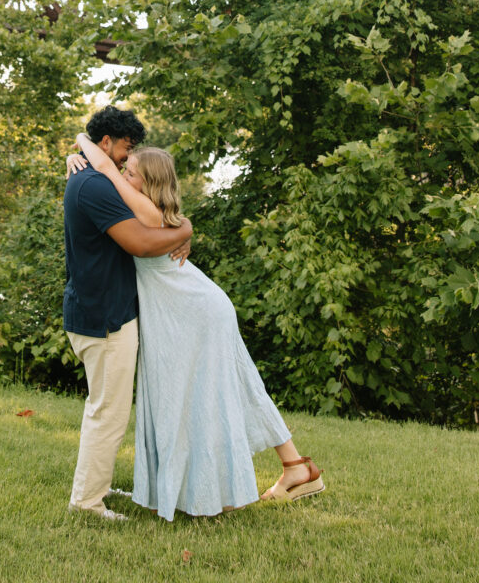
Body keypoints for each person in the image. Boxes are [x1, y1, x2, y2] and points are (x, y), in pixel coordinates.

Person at [67, 134, 325, 522]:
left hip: (194, 308)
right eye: (125, 168)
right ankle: (295, 467)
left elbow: (105, 170)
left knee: (211, 396)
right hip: (189, 306)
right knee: (237, 385)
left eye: (132, 172)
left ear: (150, 184)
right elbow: (110, 175)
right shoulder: (143, 204)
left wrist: (82, 144)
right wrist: (76, 154)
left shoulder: (140, 207)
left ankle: (272, 473)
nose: (123, 174)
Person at [63, 106, 192, 522]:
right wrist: (184, 231)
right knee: (109, 412)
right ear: (106, 143)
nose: (127, 156)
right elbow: (139, 242)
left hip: (99, 311)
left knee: (103, 408)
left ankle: (93, 487)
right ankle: (86, 502)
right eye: (125, 147)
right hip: (104, 318)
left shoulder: (92, 178)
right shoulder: (95, 186)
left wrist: (178, 229)